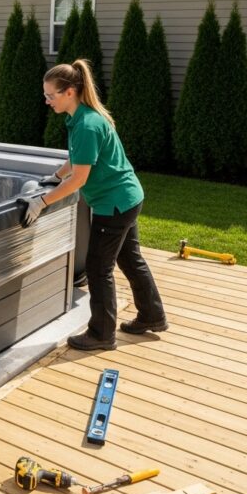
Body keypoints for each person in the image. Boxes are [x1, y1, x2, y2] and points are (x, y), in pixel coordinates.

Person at [21, 59, 167, 351]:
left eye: (51, 95)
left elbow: (79, 179)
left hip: (113, 205)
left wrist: (42, 202)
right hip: (128, 197)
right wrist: (56, 176)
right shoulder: (82, 117)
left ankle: (101, 334)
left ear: (70, 92)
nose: (47, 101)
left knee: (99, 269)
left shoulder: (87, 124)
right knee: (130, 259)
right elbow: (77, 157)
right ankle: (152, 315)